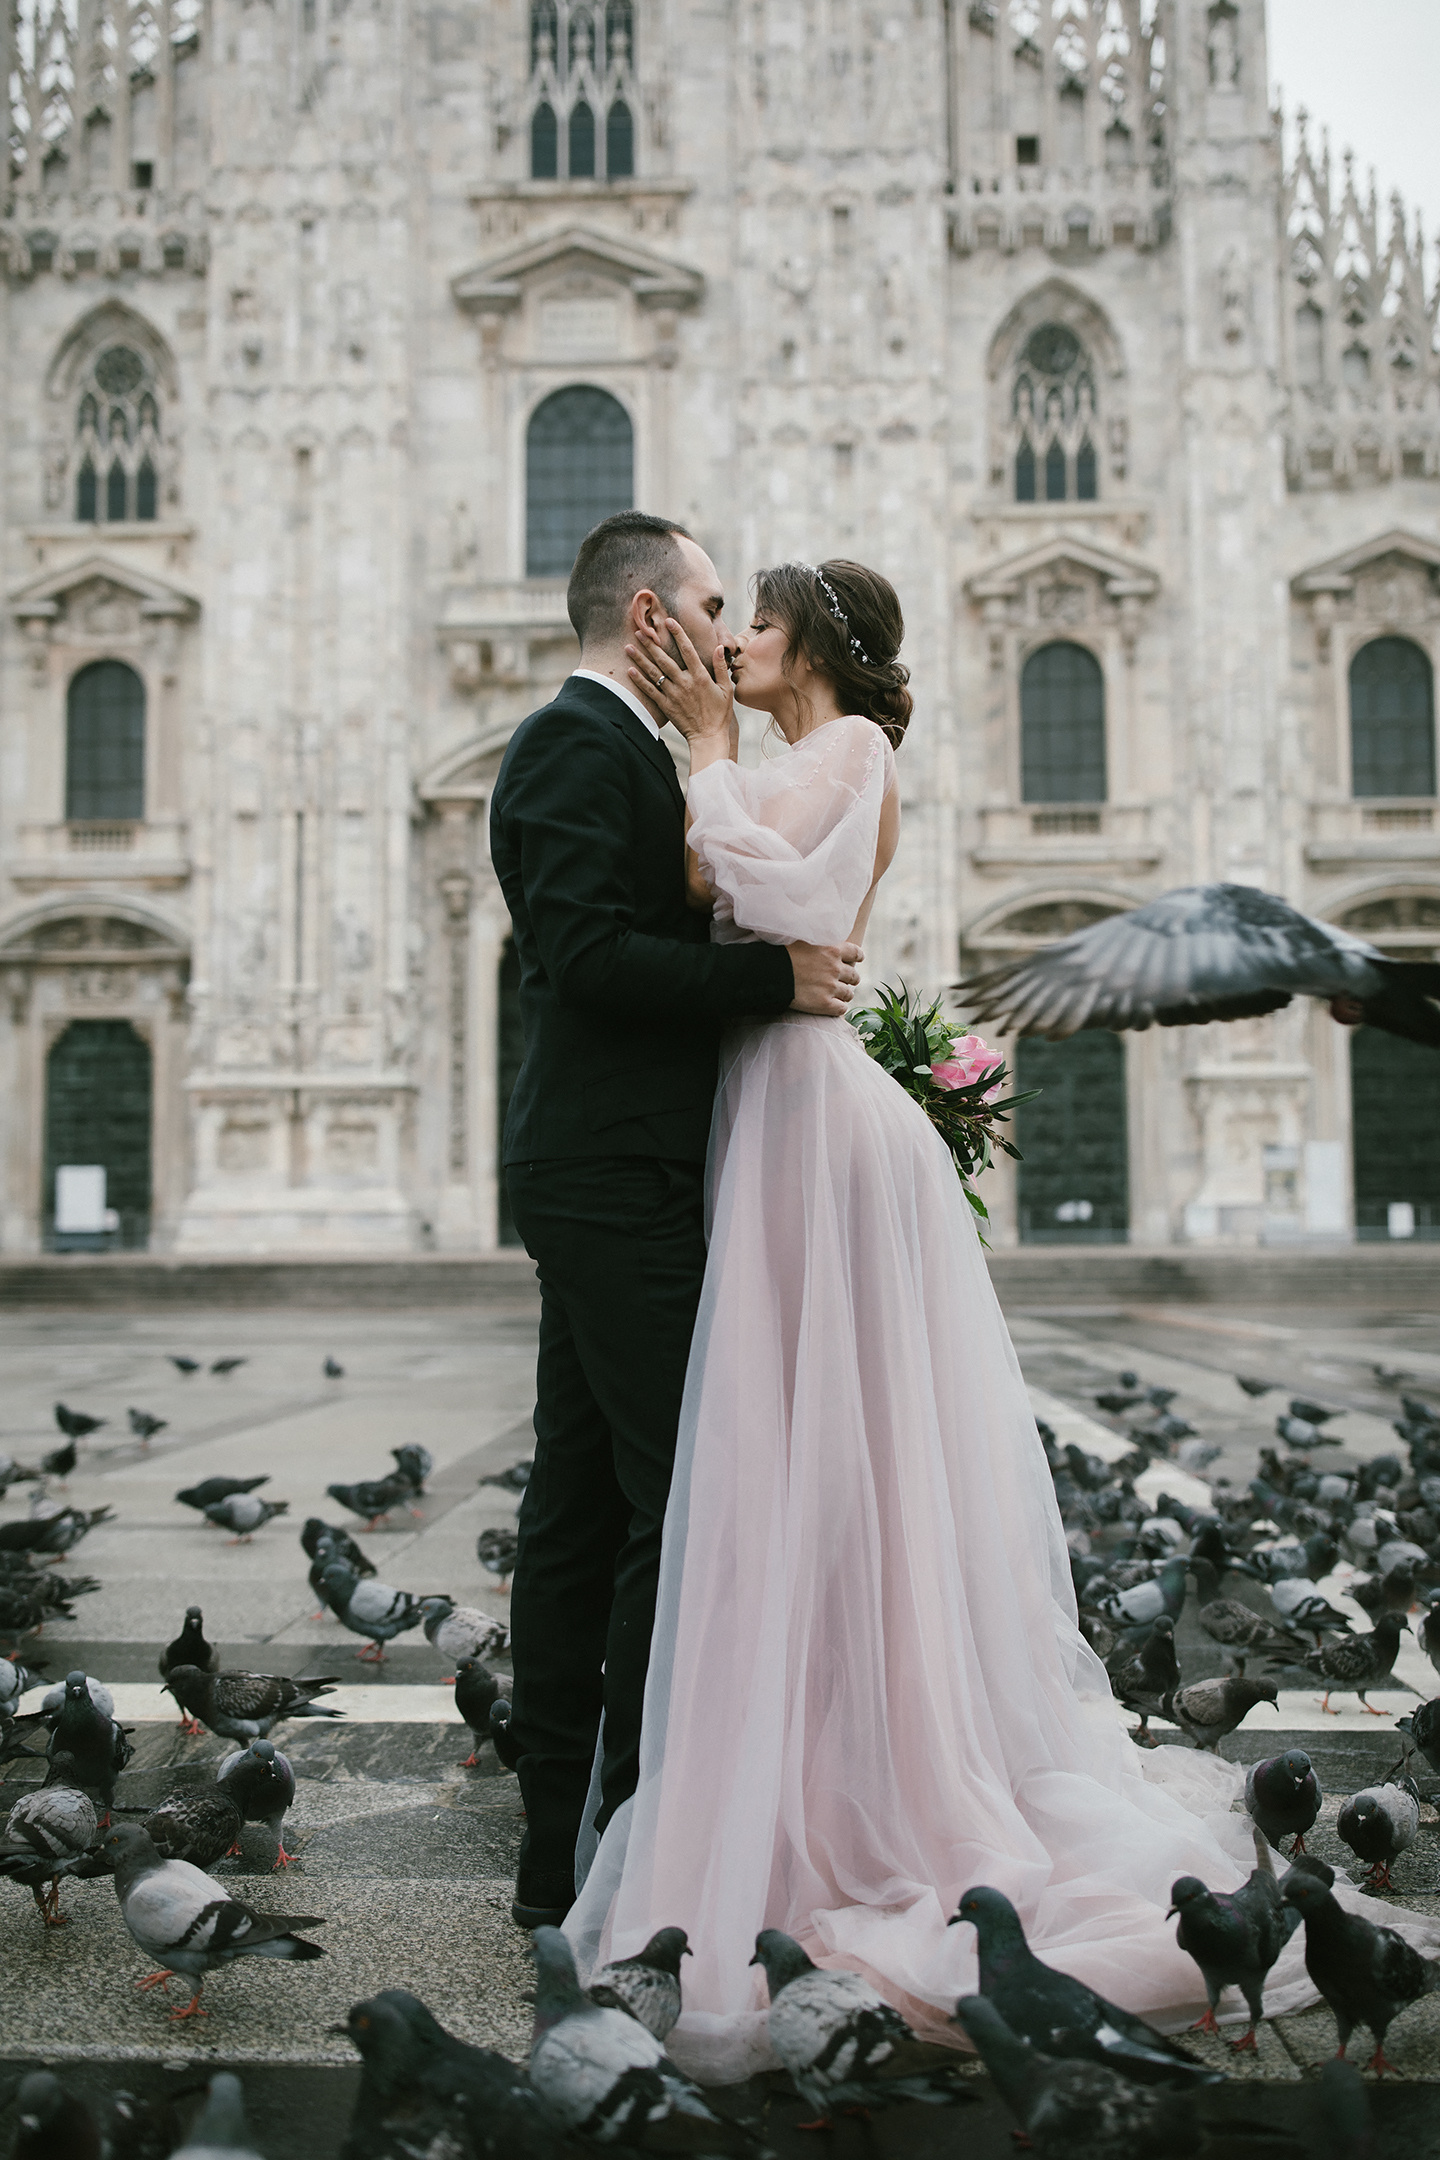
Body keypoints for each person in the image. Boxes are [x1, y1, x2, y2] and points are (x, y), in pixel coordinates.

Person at [561, 557, 1293, 2080]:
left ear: (812, 644)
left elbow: (767, 895)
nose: (728, 642)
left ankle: (889, 1790)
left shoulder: (851, 747)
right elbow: (725, 890)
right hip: (778, 1111)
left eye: (749, 623)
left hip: (820, 1130)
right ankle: (831, 1759)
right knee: (807, 1462)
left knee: (835, 1454)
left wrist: (703, 753)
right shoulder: (790, 757)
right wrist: (716, 769)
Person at [488, 513, 864, 1930]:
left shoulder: (622, 748)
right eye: (711, 602)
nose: (725, 628)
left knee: (583, 1507)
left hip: (623, 1164)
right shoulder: (569, 746)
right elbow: (584, 958)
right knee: (683, 1492)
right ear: (647, 614)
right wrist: (777, 988)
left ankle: (564, 1840)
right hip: (610, 1173)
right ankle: (637, 1815)